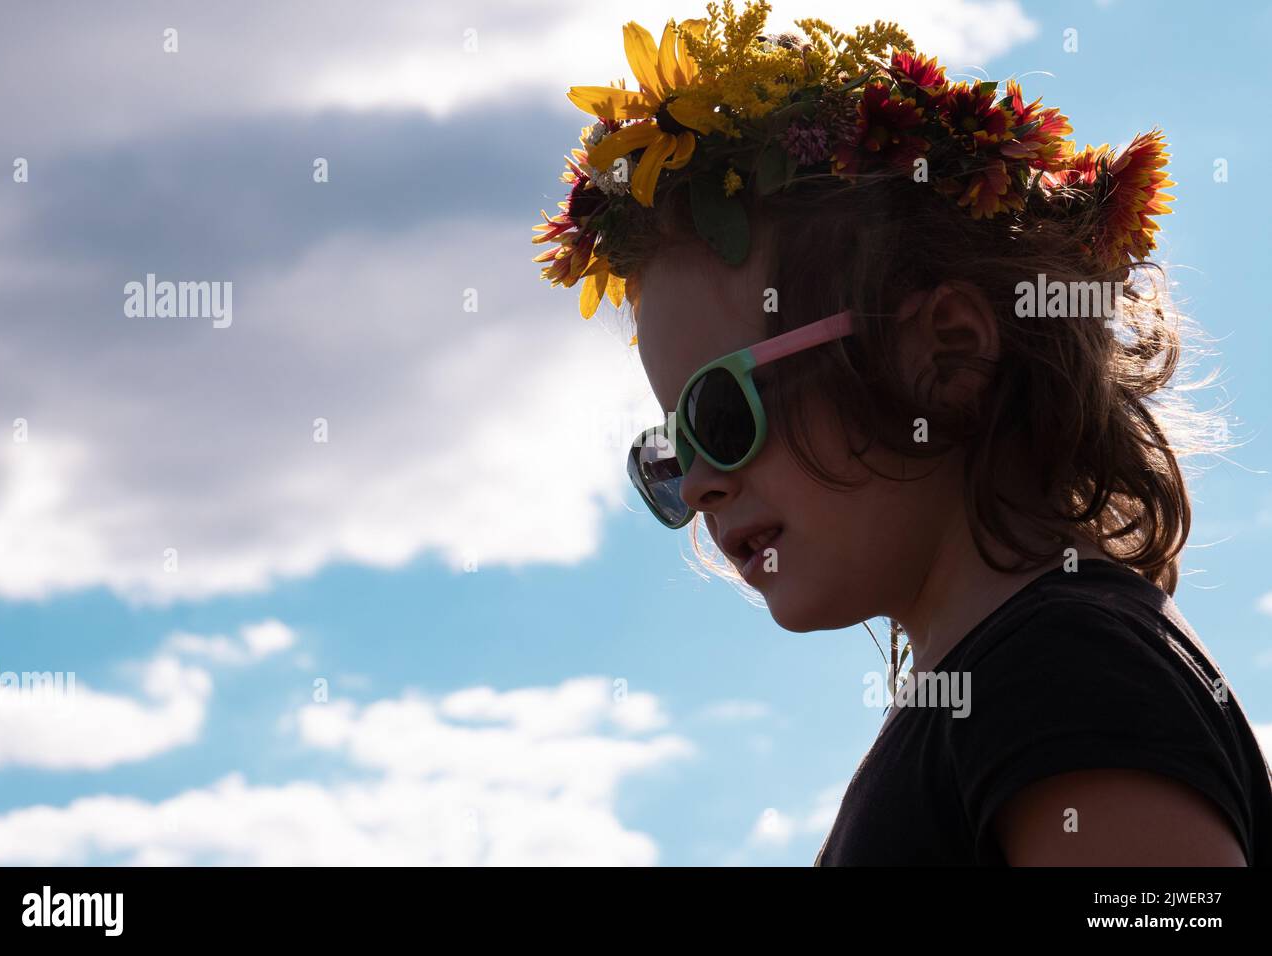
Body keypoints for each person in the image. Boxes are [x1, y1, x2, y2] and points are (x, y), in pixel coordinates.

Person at [532, 3, 1272, 865]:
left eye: (721, 415)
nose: (698, 485)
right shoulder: (1002, 686)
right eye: (670, 449)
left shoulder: (1065, 675)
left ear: (945, 355)